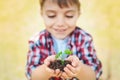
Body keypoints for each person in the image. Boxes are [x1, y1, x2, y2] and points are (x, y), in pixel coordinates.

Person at [25, 0, 102, 80]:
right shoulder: (37, 41)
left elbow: (93, 75)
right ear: (42, 13)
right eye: (51, 15)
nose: (60, 23)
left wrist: (79, 69)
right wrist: (47, 68)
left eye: (69, 15)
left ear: (78, 14)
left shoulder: (84, 38)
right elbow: (32, 76)